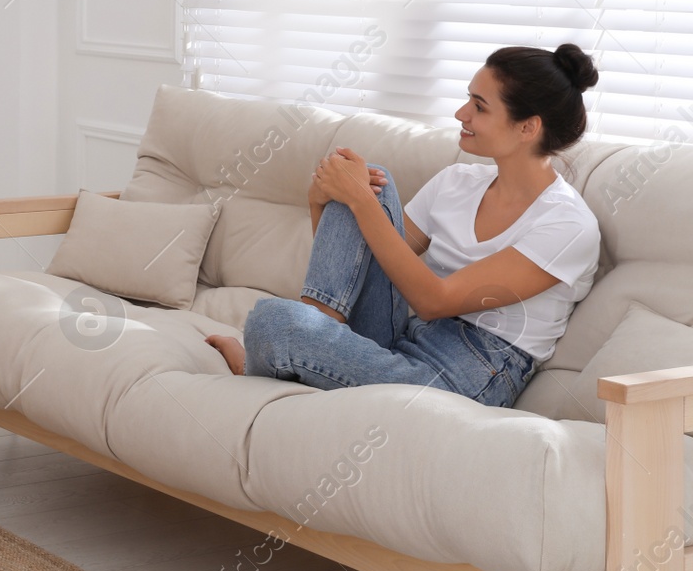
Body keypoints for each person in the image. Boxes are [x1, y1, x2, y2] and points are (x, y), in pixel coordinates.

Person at [205, 44, 602, 408]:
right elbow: (360, 263)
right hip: (405, 335)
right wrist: (322, 200)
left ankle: (282, 354)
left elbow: (436, 300)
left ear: (527, 128)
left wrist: (359, 201)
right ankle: (308, 336)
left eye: (479, 107)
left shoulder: (566, 225)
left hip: (470, 372)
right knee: (373, 182)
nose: (461, 114)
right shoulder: (455, 182)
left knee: (274, 319)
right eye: (467, 99)